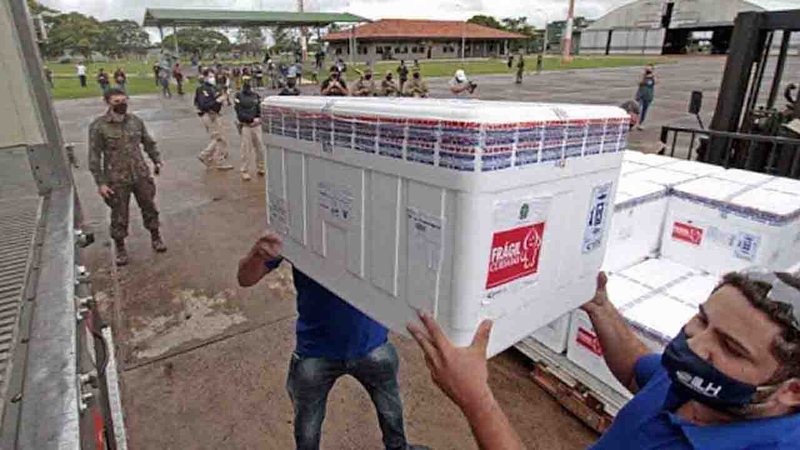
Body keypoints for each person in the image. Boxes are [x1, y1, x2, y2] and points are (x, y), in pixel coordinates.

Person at [408, 269, 800, 449]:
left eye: (730, 348)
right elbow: (637, 371)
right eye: (702, 319)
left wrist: (476, 399)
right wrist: (599, 306)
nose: (697, 345)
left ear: (791, 391)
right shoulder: (700, 384)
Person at [237, 231, 429, 450]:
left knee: (391, 411)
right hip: (316, 352)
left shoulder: (381, 220)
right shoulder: (297, 224)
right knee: (307, 428)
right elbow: (245, 279)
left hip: (373, 345)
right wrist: (257, 254)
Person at [88, 88, 167, 266]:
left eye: (124, 100)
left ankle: (156, 237)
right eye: (117, 102)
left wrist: (156, 160)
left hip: (140, 174)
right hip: (116, 179)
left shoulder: (135, 121)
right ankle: (120, 248)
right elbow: (94, 157)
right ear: (107, 102)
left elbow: (147, 142)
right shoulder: (99, 126)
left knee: (149, 207)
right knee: (119, 214)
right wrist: (100, 183)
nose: (122, 105)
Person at [194, 71, 233, 171]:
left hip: (215, 115)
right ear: (205, 77)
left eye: (213, 76)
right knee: (218, 138)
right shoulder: (202, 89)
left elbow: (221, 103)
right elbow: (204, 105)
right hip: (208, 115)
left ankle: (210, 157)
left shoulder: (214, 88)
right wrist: (217, 100)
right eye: (210, 76)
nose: (212, 78)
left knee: (219, 137)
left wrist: (225, 98)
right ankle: (208, 156)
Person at [233, 78, 265, 181]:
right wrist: (251, 119)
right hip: (246, 125)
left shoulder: (255, 96)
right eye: (246, 82)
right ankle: (244, 170)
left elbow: (259, 109)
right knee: (246, 149)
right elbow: (239, 112)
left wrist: (259, 118)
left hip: (257, 125)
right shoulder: (238, 96)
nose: (248, 85)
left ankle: (261, 167)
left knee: (260, 148)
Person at [636, 64, 656, 130]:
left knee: (644, 110)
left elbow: (655, 82)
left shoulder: (653, 77)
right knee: (637, 109)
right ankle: (632, 122)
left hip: (648, 96)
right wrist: (644, 77)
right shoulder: (642, 76)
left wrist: (652, 76)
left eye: (649, 70)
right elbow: (639, 83)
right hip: (640, 95)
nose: (648, 71)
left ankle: (640, 123)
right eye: (647, 69)